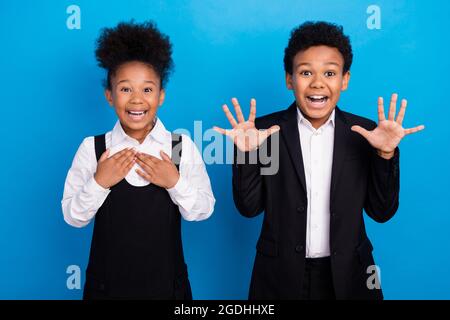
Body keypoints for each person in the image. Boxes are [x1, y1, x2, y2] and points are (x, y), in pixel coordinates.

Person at [214, 21, 424, 300]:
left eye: (329, 72)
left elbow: (382, 212)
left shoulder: (365, 134)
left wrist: (385, 154)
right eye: (305, 72)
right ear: (289, 79)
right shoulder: (264, 133)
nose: (317, 83)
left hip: (351, 275)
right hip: (279, 277)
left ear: (344, 80)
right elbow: (249, 208)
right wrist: (247, 153)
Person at [62, 21, 215, 299]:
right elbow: (73, 217)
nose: (136, 100)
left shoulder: (180, 147)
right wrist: (100, 181)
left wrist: (174, 182)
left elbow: (203, 210)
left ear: (160, 96)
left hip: (169, 290)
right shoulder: (93, 148)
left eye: (147, 90)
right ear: (109, 96)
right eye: (124, 89)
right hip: (106, 290)